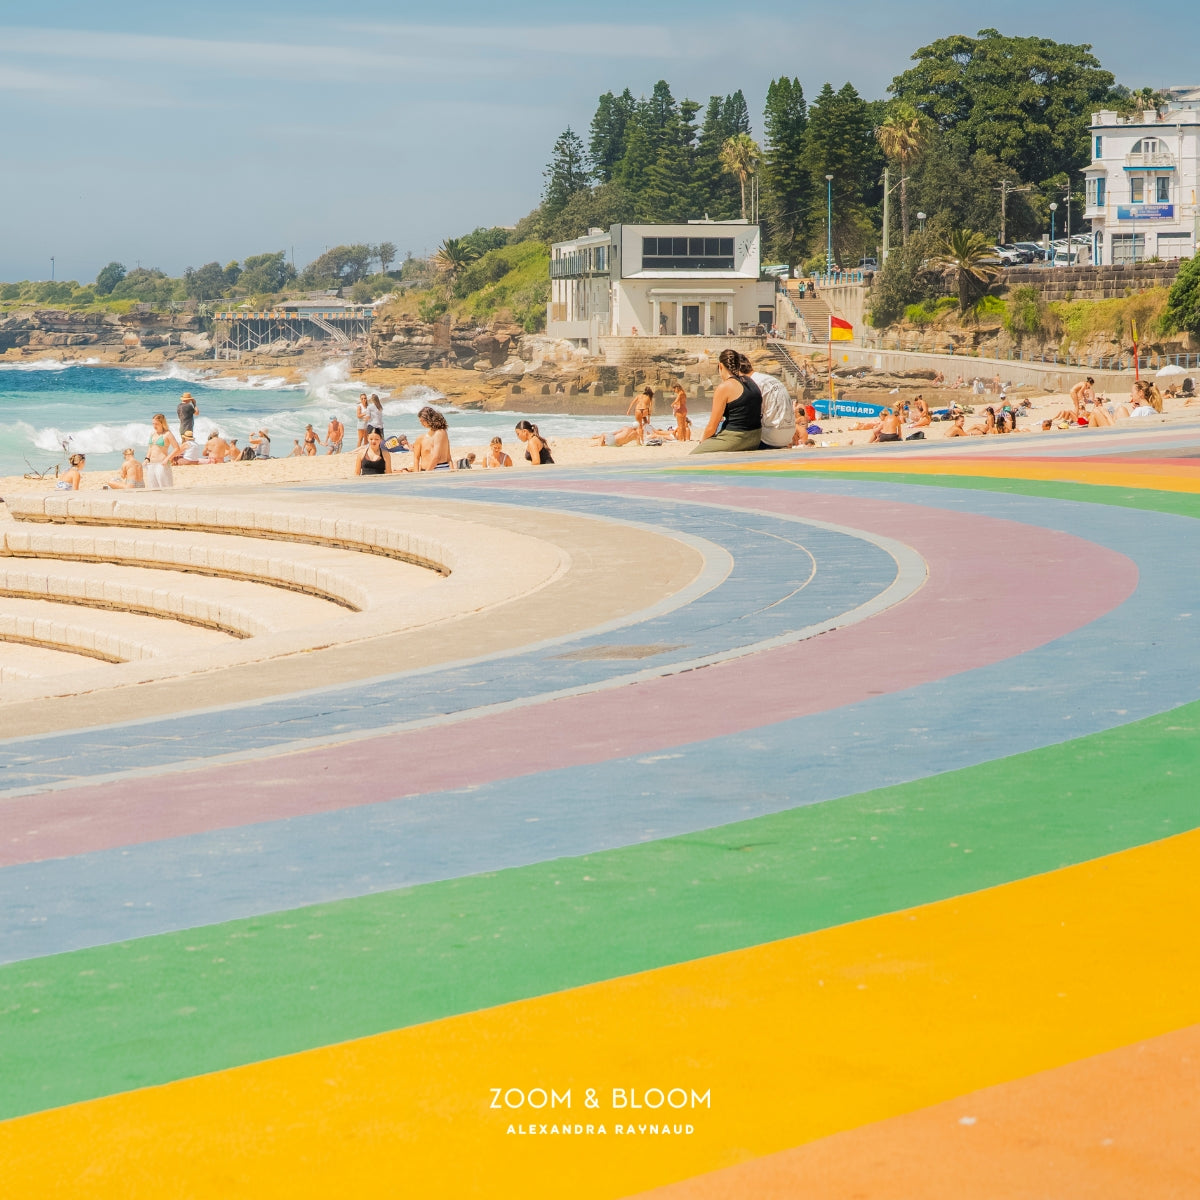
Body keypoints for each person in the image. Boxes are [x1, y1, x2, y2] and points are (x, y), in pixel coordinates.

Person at [690, 348, 762, 454]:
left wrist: (702, 443)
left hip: (737, 438)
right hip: (755, 437)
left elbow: (712, 427)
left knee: (694, 455)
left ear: (720, 366)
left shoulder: (725, 387)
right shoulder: (750, 381)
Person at [739, 356, 794, 449]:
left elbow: (748, 417)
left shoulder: (751, 384)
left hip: (770, 438)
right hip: (788, 434)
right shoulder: (769, 379)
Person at [410, 406, 453, 471]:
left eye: (423, 421)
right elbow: (416, 458)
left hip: (437, 469)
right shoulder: (421, 438)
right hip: (429, 470)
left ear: (429, 419)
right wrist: (417, 475)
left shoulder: (440, 432)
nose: (421, 423)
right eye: (420, 421)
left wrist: (426, 473)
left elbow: (437, 457)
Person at [145, 413, 178, 488]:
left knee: (165, 487)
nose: (154, 426)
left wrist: (167, 459)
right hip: (151, 464)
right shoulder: (152, 433)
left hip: (162, 464)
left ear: (162, 423)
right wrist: (147, 458)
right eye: (153, 423)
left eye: (156, 424)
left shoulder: (167, 434)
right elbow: (150, 447)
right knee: (153, 488)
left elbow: (176, 448)